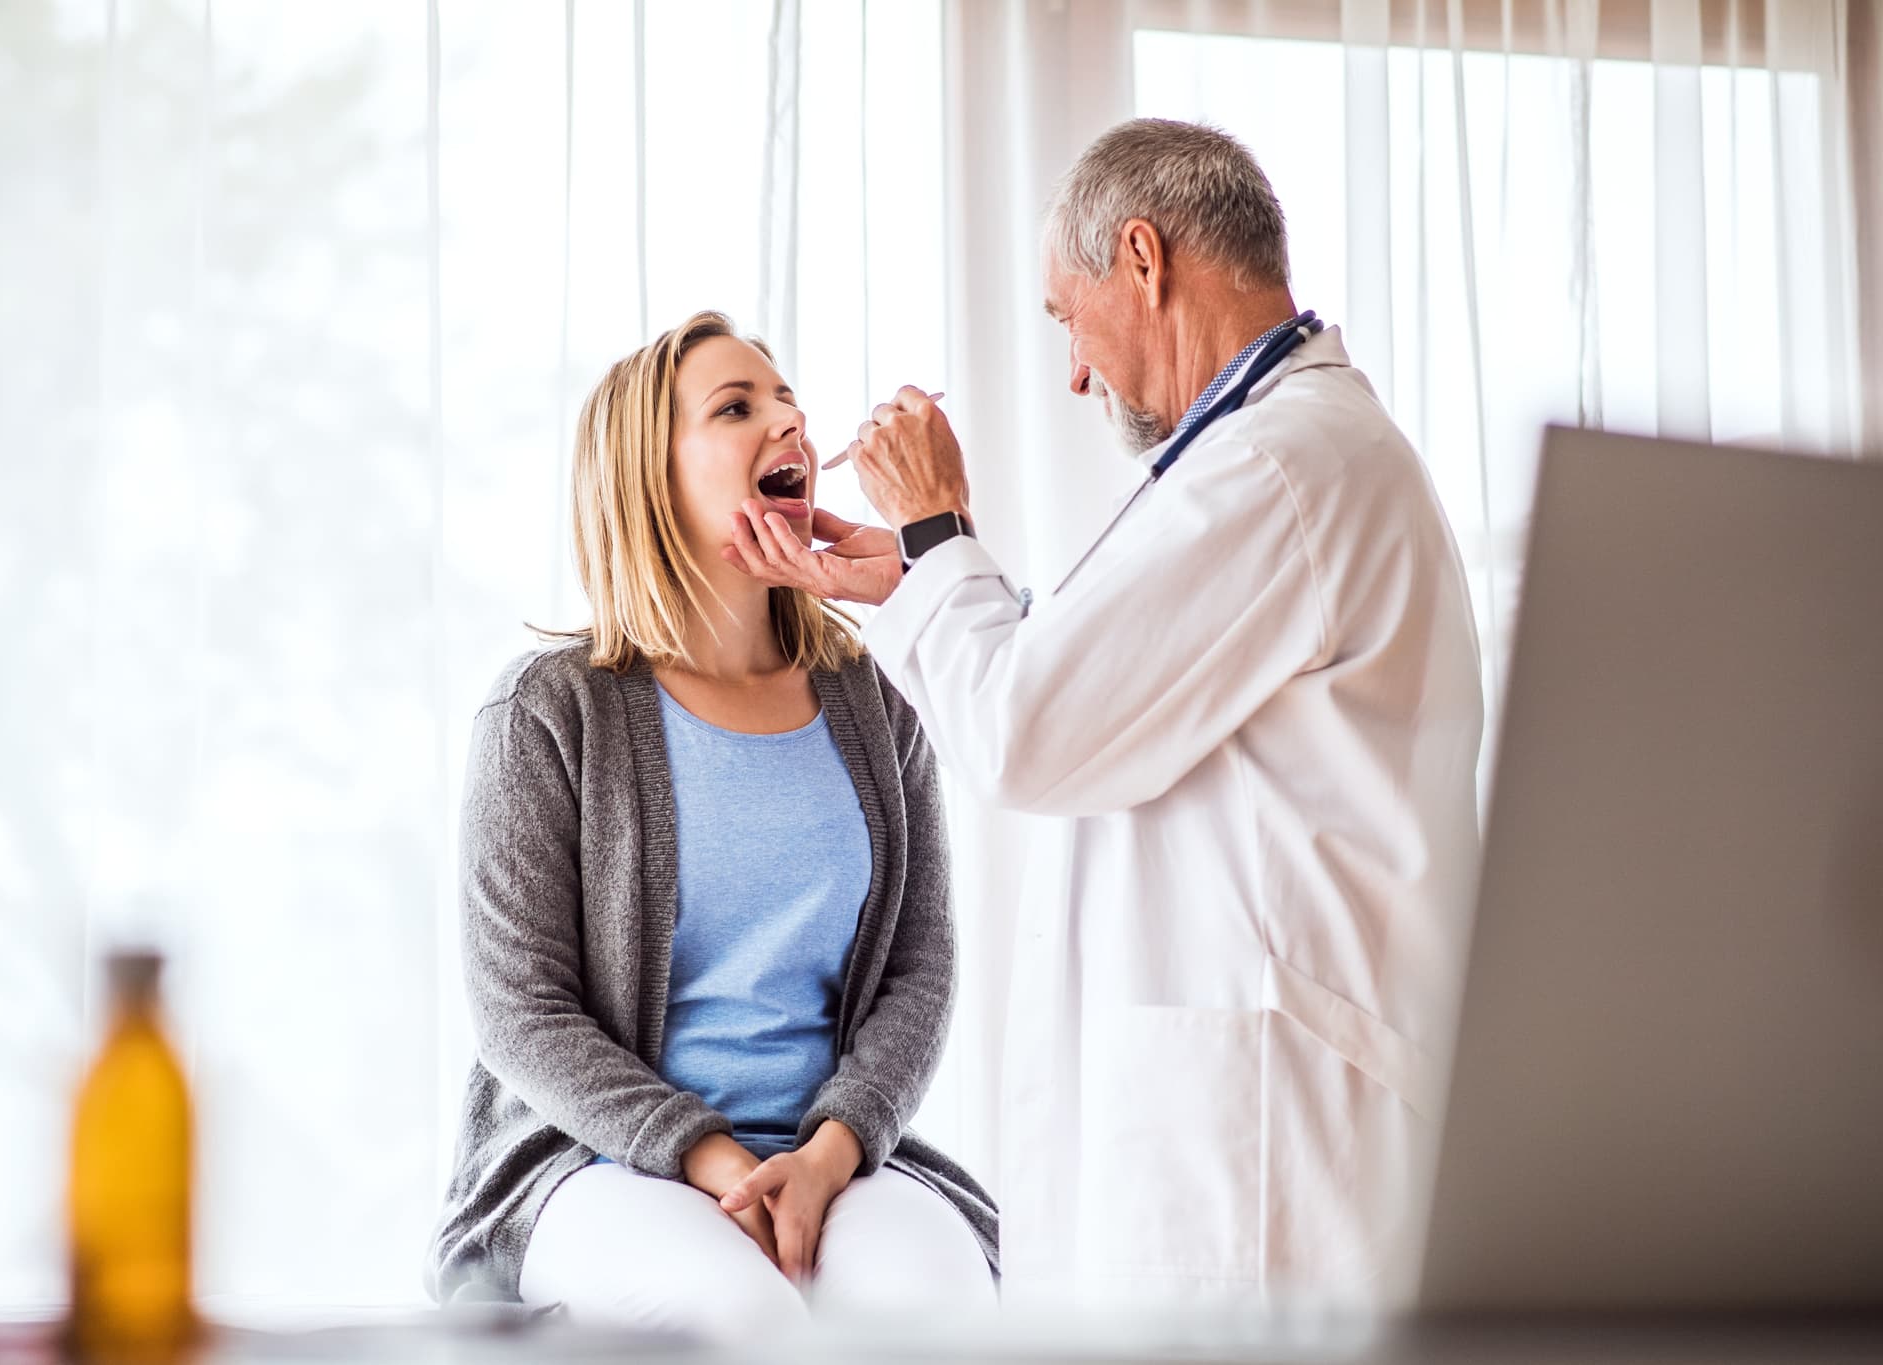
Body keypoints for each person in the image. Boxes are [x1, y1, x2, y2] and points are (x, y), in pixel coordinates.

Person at [726, 119, 1485, 1307]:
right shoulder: (1279, 458)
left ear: (1142, 258)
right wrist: (921, 580)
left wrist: (935, 526)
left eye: (1063, 319)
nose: (1073, 371)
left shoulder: (1281, 470)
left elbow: (1030, 736)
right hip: (1255, 1115)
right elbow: (1124, 692)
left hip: (1268, 1138)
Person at [423, 311, 998, 1338]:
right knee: (741, 1319)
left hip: (835, 1154)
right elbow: (521, 1012)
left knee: (934, 1310)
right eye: (735, 408)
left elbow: (921, 970)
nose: (786, 425)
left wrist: (825, 1156)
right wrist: (709, 1156)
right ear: (650, 476)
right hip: (598, 1163)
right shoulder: (549, 712)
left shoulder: (877, 700)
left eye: (787, 403)